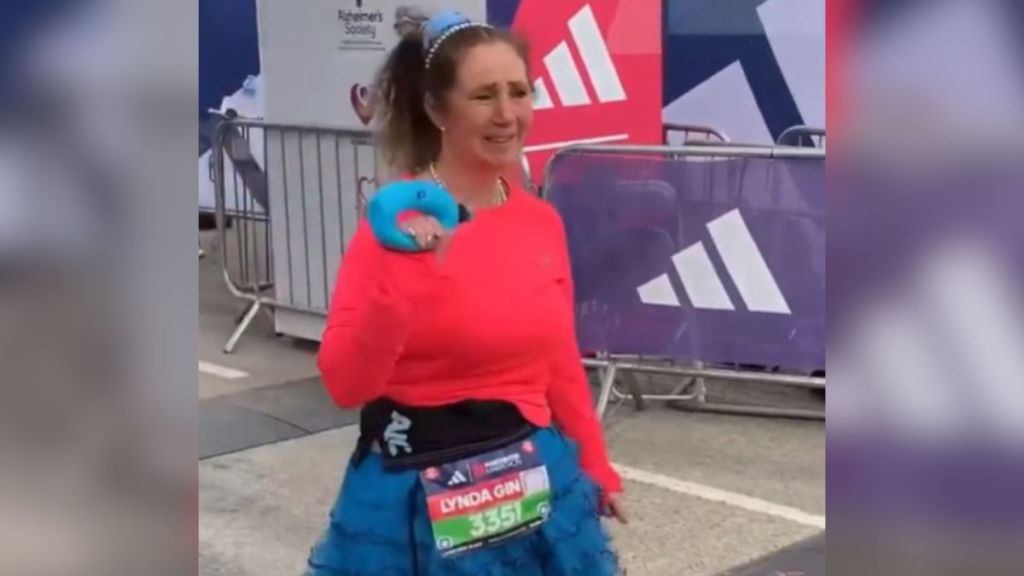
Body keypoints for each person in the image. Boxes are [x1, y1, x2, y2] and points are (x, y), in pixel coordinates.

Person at [306, 10, 626, 576]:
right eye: (483, 96)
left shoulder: (539, 221)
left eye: (518, 92)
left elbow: (557, 361)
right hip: (417, 503)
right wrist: (404, 281)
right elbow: (345, 382)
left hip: (535, 486)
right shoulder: (396, 224)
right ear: (437, 110)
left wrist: (596, 465)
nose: (507, 115)